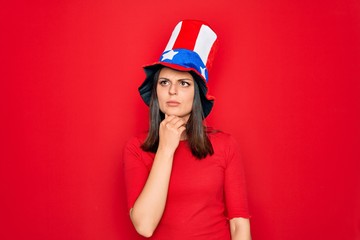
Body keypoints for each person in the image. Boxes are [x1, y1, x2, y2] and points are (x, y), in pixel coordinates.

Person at [123, 20, 251, 240]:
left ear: (197, 95)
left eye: (183, 83)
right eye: (164, 82)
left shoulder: (225, 145)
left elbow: (239, 224)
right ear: (156, 92)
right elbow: (144, 226)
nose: (172, 90)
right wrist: (165, 148)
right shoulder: (137, 147)